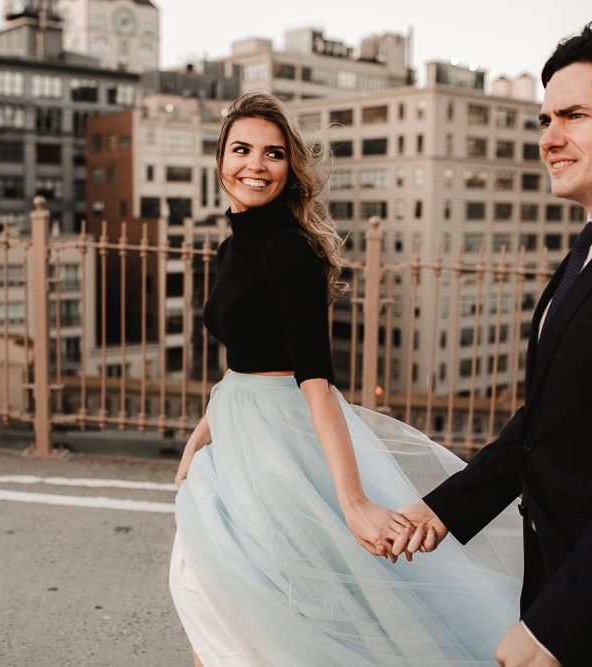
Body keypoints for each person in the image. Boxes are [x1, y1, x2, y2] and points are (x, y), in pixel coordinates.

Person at [169, 92, 523, 667]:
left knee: (275, 604)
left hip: (282, 443)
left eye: (273, 154)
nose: (254, 165)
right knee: (212, 592)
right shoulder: (233, 244)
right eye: (241, 149)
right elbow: (243, 361)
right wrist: (198, 439)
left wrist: (352, 499)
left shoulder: (288, 248)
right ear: (219, 159)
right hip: (234, 436)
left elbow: (314, 380)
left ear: (291, 169)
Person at [392, 18, 592, 667]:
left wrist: (556, 625)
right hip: (560, 585)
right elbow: (554, 418)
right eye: (543, 120)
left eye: (573, 115)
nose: (549, 138)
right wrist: (443, 507)